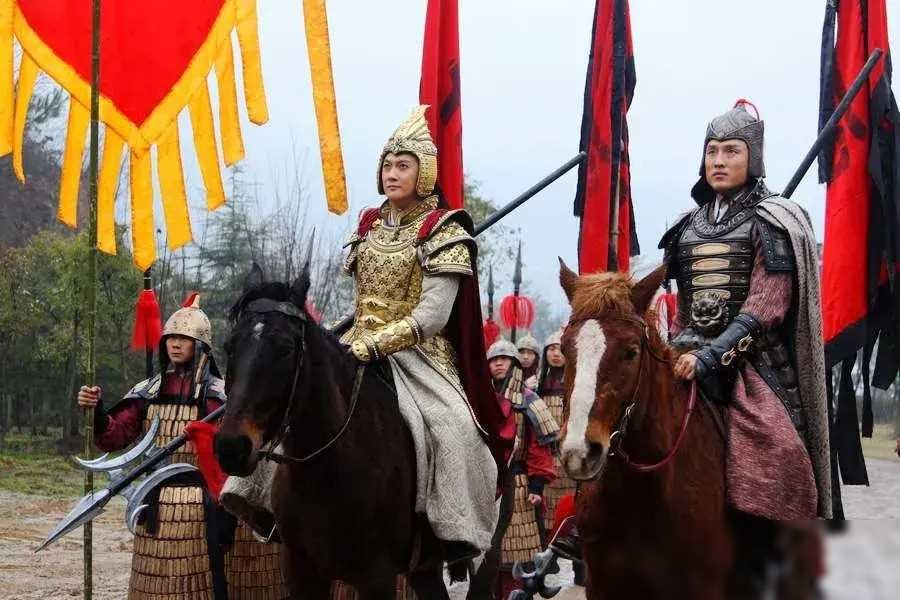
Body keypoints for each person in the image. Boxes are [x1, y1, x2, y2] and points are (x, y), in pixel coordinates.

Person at [659, 100, 831, 590]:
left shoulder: (773, 220)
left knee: (777, 449)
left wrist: (712, 356)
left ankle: (775, 550)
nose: (719, 161)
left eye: (731, 151)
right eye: (712, 151)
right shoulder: (686, 226)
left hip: (755, 363)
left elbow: (766, 305)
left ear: (752, 157)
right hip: (685, 351)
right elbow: (673, 300)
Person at [340, 105, 508, 564]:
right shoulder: (368, 225)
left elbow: (432, 315)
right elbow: (359, 300)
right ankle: (269, 502)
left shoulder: (444, 229)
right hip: (356, 341)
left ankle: (454, 529)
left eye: (403, 165)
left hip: (420, 355)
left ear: (424, 173)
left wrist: (377, 344)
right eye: (387, 165)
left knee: (453, 428)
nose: (392, 174)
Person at [77, 296, 287, 599]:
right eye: (171, 338)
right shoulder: (147, 391)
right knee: (153, 586)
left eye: (184, 339)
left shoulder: (221, 396)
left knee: (203, 584)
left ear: (199, 346)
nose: (175, 344)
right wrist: (96, 411)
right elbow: (115, 436)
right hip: (156, 501)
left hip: (205, 502)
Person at [487, 339, 558, 599]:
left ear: (514, 364)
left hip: (518, 484)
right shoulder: (479, 397)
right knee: (487, 550)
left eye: (504, 359)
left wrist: (537, 486)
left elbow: (539, 448)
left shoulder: (529, 399)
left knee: (520, 547)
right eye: (494, 360)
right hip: (485, 481)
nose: (498, 363)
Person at [536, 329, 574, 533]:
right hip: (545, 456)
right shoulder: (535, 385)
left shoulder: (576, 385)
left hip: (570, 455)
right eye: (551, 349)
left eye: (560, 349)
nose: (556, 353)